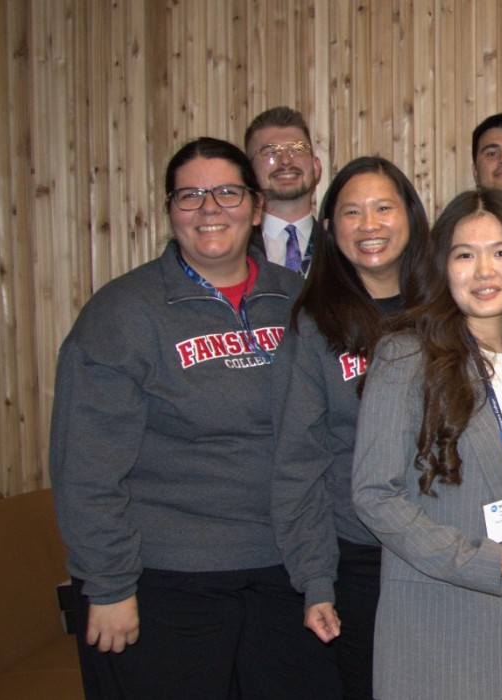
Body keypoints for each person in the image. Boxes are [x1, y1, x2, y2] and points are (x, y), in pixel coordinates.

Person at [50, 136, 339, 698]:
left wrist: (322, 570)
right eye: (190, 196)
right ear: (169, 212)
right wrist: (108, 584)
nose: (210, 209)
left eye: (228, 192)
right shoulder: (123, 313)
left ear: (257, 208)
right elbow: (84, 464)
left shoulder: (300, 301)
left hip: (288, 573)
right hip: (168, 581)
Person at [350, 188, 502, 699]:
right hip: (437, 643)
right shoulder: (404, 355)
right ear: (443, 268)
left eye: (501, 252)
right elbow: (375, 494)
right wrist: (476, 560)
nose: (485, 271)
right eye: (465, 255)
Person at [271, 156, 430, 698]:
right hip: (361, 561)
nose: (369, 226)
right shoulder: (314, 322)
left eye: (384, 208)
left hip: (450, 550)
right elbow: (299, 461)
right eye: (351, 212)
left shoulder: (449, 309)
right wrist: (315, 581)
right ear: (329, 228)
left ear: (410, 215)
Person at [246, 106, 323, 274]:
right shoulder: (233, 250)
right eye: (270, 152)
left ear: (316, 167)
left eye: (297, 149)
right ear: (248, 172)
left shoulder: (342, 248)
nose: (286, 160)